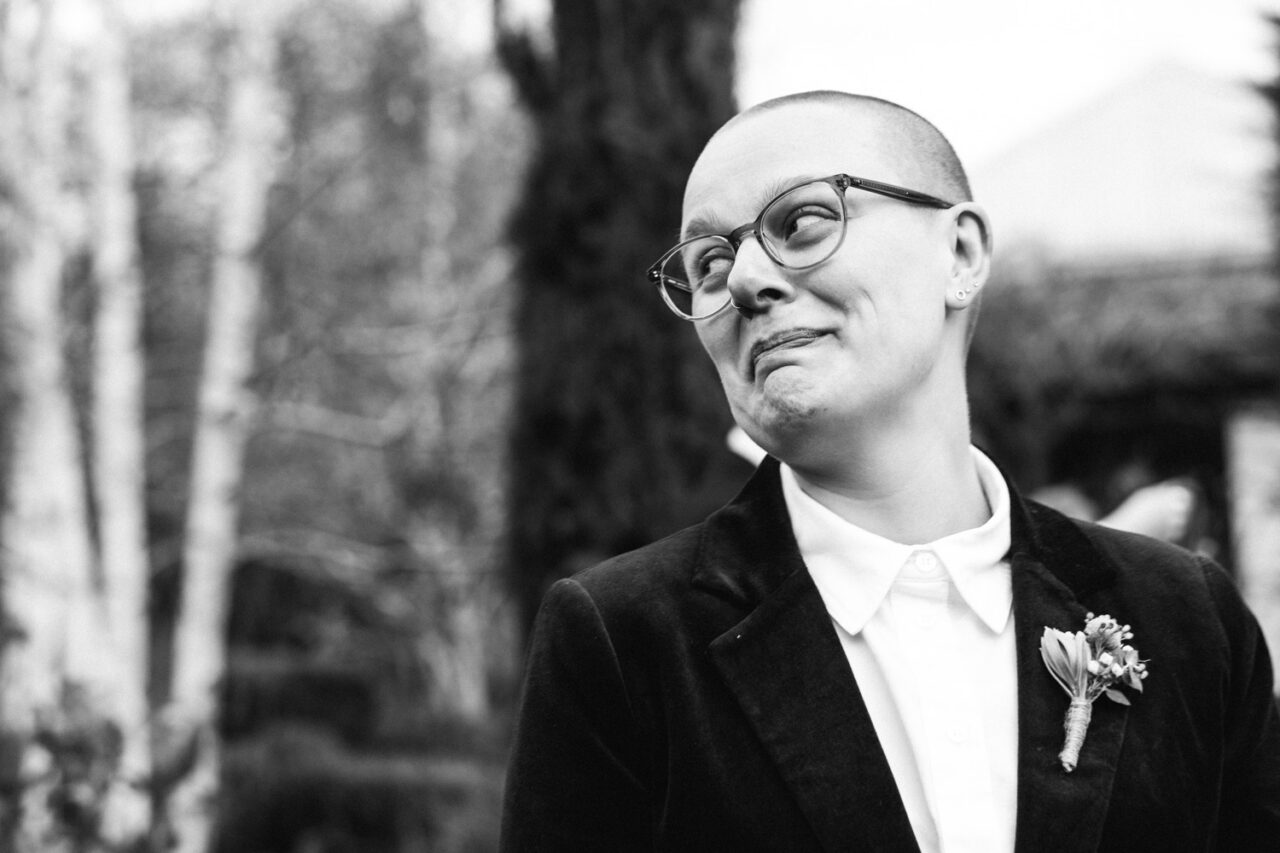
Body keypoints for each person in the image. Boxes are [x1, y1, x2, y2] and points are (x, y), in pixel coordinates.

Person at [499, 91, 1280, 852]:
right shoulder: (622, 644)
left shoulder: (1187, 619)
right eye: (707, 264)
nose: (742, 280)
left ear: (961, 253)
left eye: (801, 221)